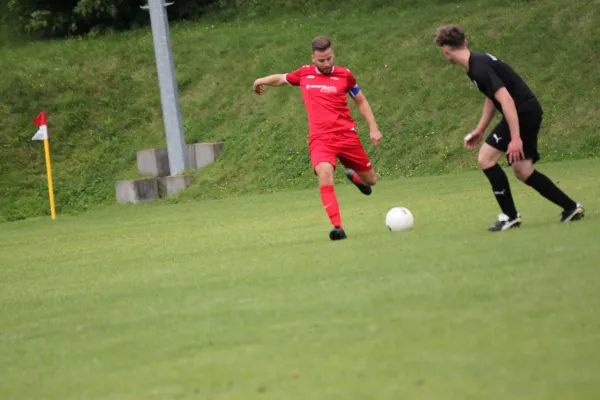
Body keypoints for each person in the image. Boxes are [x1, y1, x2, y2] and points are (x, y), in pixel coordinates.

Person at [434, 25, 585, 231]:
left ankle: (510, 216)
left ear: (445, 50)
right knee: (523, 171)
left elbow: (505, 100)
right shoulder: (476, 63)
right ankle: (571, 208)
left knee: (485, 159)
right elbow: (493, 98)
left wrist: (515, 138)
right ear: (465, 43)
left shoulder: (478, 68)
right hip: (526, 110)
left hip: (521, 112)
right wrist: (480, 129)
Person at [253, 36, 383, 240]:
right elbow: (282, 78)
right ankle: (338, 227)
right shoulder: (304, 74)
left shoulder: (345, 75)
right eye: (321, 60)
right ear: (313, 58)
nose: (326, 63)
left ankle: (356, 178)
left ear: (333, 55)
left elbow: (361, 101)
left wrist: (373, 128)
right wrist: (260, 81)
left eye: (329, 58)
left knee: (371, 180)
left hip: (346, 136)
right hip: (321, 139)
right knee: (324, 173)